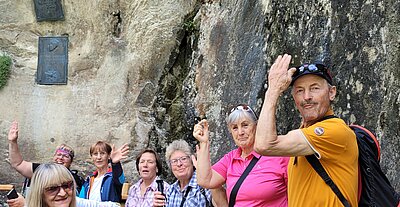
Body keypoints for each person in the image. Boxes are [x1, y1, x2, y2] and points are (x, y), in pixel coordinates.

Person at [254, 54, 358, 207]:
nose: (307, 97)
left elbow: (264, 145)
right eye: (300, 91)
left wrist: (273, 90)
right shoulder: (303, 133)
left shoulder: (335, 131)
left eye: (314, 88)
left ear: (332, 92)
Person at [193, 104, 289, 206]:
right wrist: (204, 142)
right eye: (235, 128)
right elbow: (205, 180)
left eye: (245, 125)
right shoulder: (231, 159)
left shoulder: (278, 156)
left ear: (256, 126)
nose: (240, 132)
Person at [7, 121, 85, 194]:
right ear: (53, 157)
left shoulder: (75, 179)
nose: (60, 158)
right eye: (58, 155)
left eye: (65, 156)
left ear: (71, 161)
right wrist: (13, 142)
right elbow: (18, 164)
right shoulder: (42, 171)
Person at [153, 139, 226, 207]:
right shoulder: (170, 191)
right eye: (174, 161)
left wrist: (209, 178)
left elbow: (222, 204)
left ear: (192, 161)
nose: (179, 164)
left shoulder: (203, 185)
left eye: (183, 159)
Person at [19, 163, 120, 207]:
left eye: (67, 185)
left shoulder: (76, 203)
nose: (63, 193)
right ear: (39, 192)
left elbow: (114, 205)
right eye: (52, 188)